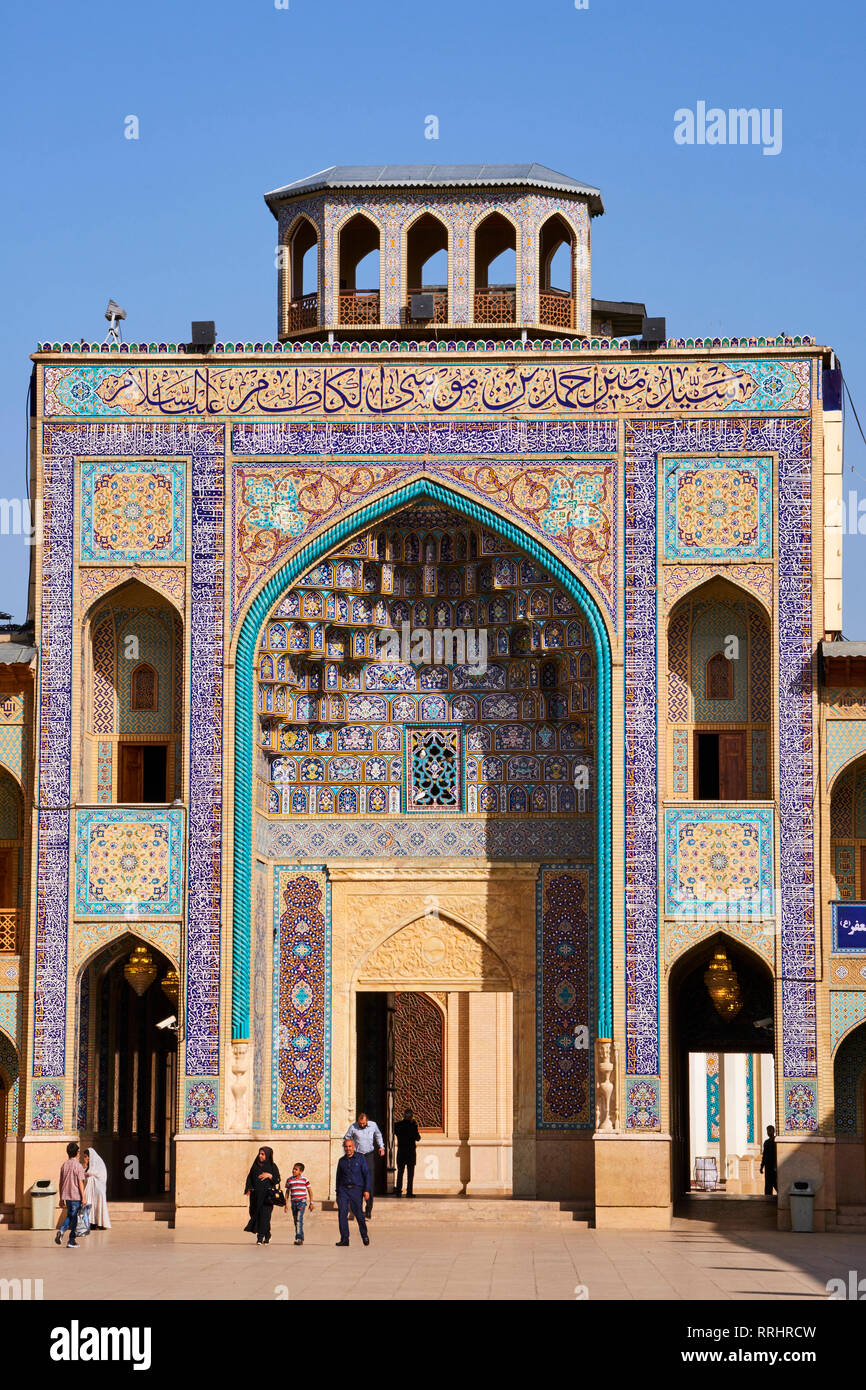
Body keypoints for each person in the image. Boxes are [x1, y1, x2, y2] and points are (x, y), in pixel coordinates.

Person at [343, 1111, 384, 1218]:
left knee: (369, 1181)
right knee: (357, 1181)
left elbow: (378, 1135)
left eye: (363, 1123)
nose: (361, 1125)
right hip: (358, 1156)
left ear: (367, 1121)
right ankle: (358, 1209)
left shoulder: (373, 1125)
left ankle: (369, 1208)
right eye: (360, 1124)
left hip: (369, 1155)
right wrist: (349, 1149)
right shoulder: (353, 1127)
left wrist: (381, 1146)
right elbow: (346, 1138)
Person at [334, 1136, 370, 1247]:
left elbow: (366, 1174)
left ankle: (364, 1235)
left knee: (358, 1214)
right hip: (343, 1190)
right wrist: (337, 1193)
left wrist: (366, 1190)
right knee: (342, 1214)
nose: (348, 1148)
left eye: (350, 1146)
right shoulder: (341, 1161)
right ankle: (345, 1239)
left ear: (354, 1147)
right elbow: (338, 1178)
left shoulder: (360, 1158)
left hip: (356, 1190)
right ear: (343, 1148)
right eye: (346, 1146)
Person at [243, 1145, 281, 1245]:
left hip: (267, 1197)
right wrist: (248, 1188)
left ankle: (260, 1237)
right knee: (256, 1214)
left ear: (268, 1155)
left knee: (265, 1216)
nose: (260, 1156)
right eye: (260, 1154)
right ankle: (267, 1234)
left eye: (263, 1154)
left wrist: (269, 1175)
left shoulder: (272, 1166)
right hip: (255, 1196)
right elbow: (250, 1177)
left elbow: (277, 1179)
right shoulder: (255, 1165)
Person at [55, 1141, 87, 1249]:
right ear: (77, 1152)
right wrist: (83, 1197)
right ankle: (71, 1240)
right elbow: (80, 1183)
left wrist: (61, 1198)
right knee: (74, 1218)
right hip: (75, 1196)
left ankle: (62, 1230)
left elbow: (61, 1182)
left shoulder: (64, 1165)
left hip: (66, 1195)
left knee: (70, 1215)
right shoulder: (77, 1166)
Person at [393, 1107, 421, 1197]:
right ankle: (409, 1192)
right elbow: (418, 1138)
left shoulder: (397, 1125)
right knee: (410, 1174)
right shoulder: (413, 1125)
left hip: (401, 1151)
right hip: (410, 1152)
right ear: (411, 1116)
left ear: (403, 1116)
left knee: (400, 1172)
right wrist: (413, 1126)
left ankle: (398, 1191)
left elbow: (395, 1133)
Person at [82, 1148, 111, 1230]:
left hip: (98, 1190)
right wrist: (85, 1166)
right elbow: (84, 1174)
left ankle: (100, 1223)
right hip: (91, 1190)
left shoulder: (99, 1165)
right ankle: (91, 1223)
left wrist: (88, 1174)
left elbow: (98, 1175)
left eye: (86, 1156)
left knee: (98, 1205)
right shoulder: (89, 1166)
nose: (85, 1158)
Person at [287, 1162, 314, 1246]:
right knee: (296, 1221)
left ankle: (298, 1238)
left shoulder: (305, 1180)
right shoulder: (289, 1180)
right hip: (293, 1203)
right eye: (293, 1169)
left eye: (296, 1169)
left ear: (301, 1171)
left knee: (299, 1219)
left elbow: (310, 1191)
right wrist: (286, 1204)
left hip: (302, 1202)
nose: (293, 1171)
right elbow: (287, 1192)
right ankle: (301, 1237)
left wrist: (311, 1203)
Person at [760, 1124, 778, 1196]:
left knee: (776, 1183)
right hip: (768, 1167)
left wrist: (775, 1165)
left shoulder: (776, 1141)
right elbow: (764, 1155)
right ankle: (768, 1198)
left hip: (774, 1167)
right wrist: (762, 1166)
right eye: (767, 1131)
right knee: (768, 1184)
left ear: (773, 1131)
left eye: (770, 1130)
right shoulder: (766, 1142)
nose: (768, 1132)